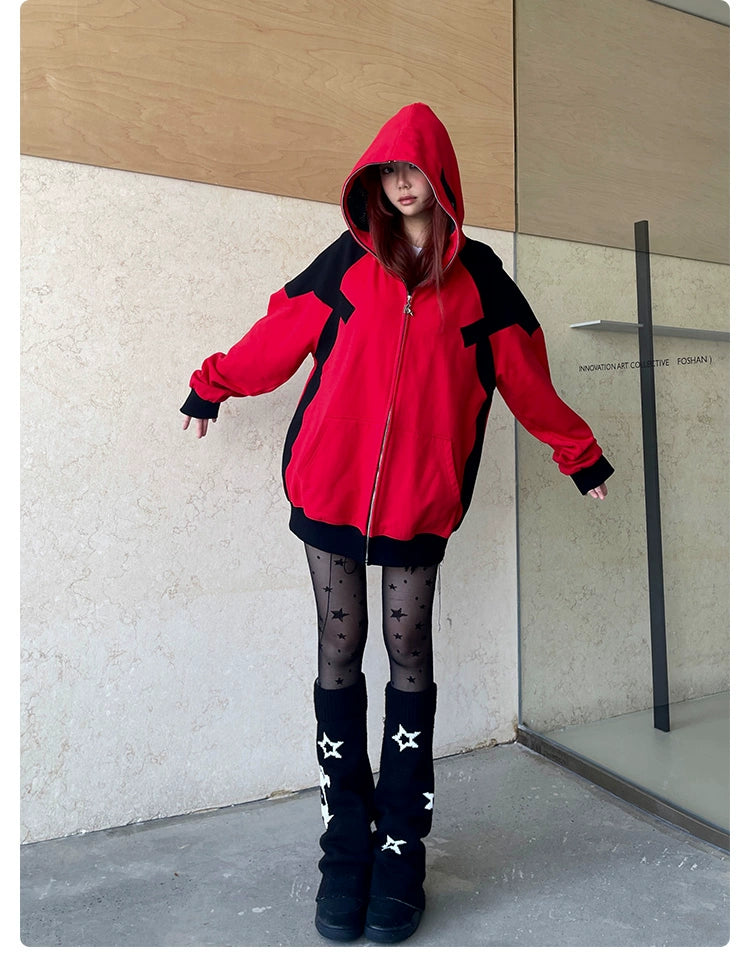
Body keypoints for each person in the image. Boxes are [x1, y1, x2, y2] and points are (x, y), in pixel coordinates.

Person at [180, 102, 613, 944]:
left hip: (419, 502)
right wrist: (216, 381)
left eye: (414, 167)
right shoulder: (349, 261)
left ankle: (400, 844)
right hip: (329, 491)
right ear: (374, 179)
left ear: (442, 176)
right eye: (388, 168)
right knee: (339, 649)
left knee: (407, 647)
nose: (401, 180)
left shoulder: (482, 281)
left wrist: (579, 453)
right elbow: (280, 332)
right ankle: (346, 843)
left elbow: (526, 376)